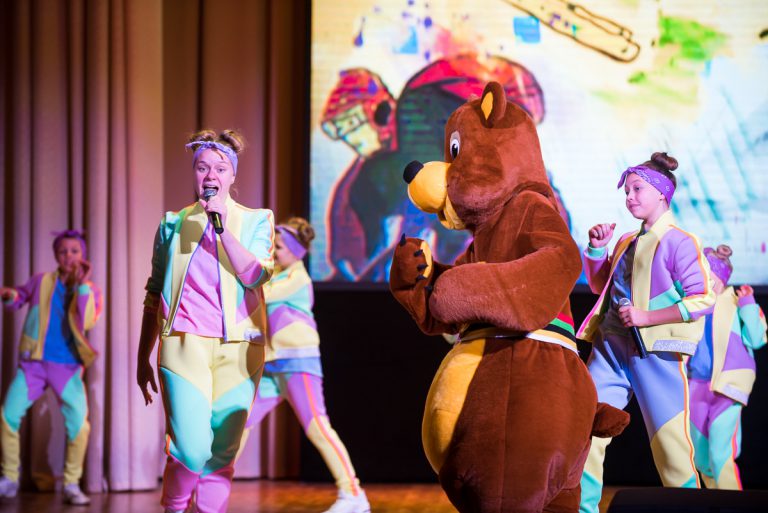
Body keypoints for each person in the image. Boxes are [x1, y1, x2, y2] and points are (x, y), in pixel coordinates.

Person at [136, 129, 274, 513]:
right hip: (184, 343)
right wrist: (142, 356)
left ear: (232, 176)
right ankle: (175, 507)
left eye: (220, 167)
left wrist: (223, 229)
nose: (210, 174)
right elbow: (153, 293)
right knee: (192, 449)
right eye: (202, 167)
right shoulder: (172, 224)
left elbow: (256, 276)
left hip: (240, 349)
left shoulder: (257, 220)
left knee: (221, 454)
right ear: (194, 173)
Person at [576, 152, 717, 512]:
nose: (630, 197)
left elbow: (704, 299)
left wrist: (646, 317)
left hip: (656, 355)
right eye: (627, 191)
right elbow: (601, 287)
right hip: (610, 351)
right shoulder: (626, 240)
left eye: (637, 189)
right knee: (584, 432)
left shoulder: (679, 241)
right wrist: (596, 250)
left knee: (671, 446)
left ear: (661, 192)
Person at [238, 217, 370, 513]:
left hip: (298, 363)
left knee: (318, 428)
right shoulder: (277, 275)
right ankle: (212, 484)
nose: (274, 251)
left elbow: (260, 293)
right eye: (273, 245)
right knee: (239, 422)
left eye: (280, 247)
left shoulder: (298, 279)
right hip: (273, 366)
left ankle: (353, 494)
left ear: (296, 251)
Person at [0, 230, 102, 505]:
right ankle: (9, 478)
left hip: (67, 367)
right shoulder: (41, 281)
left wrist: (82, 285)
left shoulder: (90, 290)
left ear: (83, 256)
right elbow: (18, 298)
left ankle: (71, 484)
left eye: (74, 251)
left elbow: (88, 321)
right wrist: (9, 294)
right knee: (7, 416)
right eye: (63, 251)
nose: (69, 256)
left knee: (79, 426)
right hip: (33, 363)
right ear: (56, 256)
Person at [688, 245, 766, 489]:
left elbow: (757, 338)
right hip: (695, 387)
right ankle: (717, 502)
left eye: (711, 280)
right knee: (701, 458)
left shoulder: (736, 303)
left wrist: (748, 304)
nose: (706, 285)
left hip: (727, 387)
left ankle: (731, 503)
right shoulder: (692, 304)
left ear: (722, 281)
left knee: (721, 452)